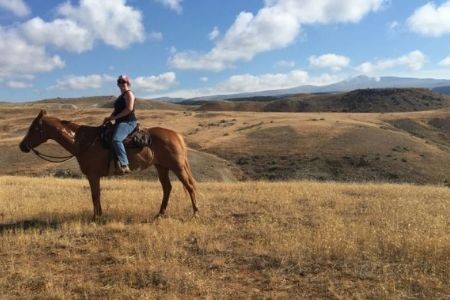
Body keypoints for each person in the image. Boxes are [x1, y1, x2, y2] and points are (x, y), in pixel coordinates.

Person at [103, 75, 137, 174]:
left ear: (128, 83)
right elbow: (116, 110)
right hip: (120, 122)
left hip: (128, 122)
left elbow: (129, 109)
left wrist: (114, 118)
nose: (122, 84)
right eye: (120, 82)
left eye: (124, 82)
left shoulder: (129, 94)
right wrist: (109, 118)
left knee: (116, 139)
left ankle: (124, 164)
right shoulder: (121, 96)